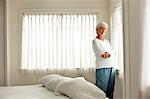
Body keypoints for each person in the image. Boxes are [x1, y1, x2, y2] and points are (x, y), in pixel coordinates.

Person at [92, 22, 116, 99]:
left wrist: (108, 54)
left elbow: (112, 53)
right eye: (101, 28)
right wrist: (107, 54)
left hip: (112, 66)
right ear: (97, 30)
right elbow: (103, 54)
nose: (102, 30)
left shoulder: (107, 42)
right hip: (102, 67)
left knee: (110, 90)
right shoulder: (95, 41)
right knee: (101, 90)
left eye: (104, 29)